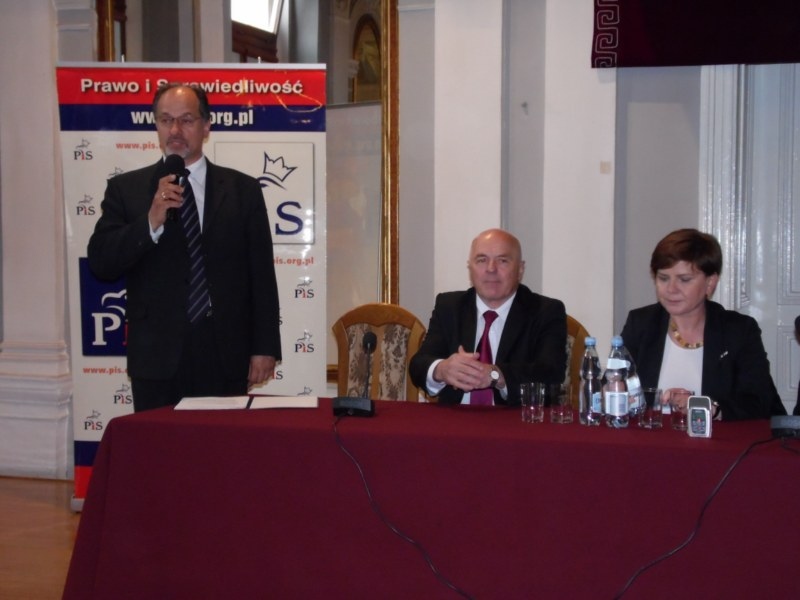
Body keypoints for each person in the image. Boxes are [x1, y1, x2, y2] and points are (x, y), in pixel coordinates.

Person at [87, 83, 282, 412]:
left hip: (225, 352)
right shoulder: (126, 189)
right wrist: (150, 222)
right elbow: (101, 262)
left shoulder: (243, 190)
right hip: (156, 357)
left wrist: (264, 347)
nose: (175, 130)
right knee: (159, 445)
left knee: (221, 443)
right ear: (156, 126)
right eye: (166, 120)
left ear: (206, 126)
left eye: (186, 120)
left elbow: (261, 274)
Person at [620, 228, 786, 421]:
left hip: (720, 440)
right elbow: (615, 385)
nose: (671, 289)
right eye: (663, 278)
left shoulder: (738, 330)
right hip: (651, 437)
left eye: (684, 280)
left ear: (710, 283)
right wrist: (614, 391)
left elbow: (759, 401)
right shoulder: (641, 323)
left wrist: (708, 408)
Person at [409, 228, 567, 406]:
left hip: (514, 419)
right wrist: (441, 370)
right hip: (455, 417)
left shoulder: (545, 311)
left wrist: (496, 375)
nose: (491, 269)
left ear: (520, 269)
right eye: (482, 260)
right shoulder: (450, 306)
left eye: (502, 260)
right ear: (470, 267)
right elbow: (419, 364)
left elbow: (551, 374)